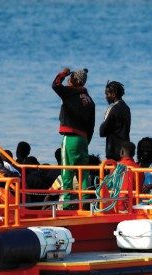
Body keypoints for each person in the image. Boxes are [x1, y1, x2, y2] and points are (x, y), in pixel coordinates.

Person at [52, 67, 95, 207]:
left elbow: (56, 85)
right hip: (83, 140)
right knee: (83, 173)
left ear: (74, 80)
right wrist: (85, 142)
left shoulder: (70, 93)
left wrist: (63, 73)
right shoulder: (90, 100)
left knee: (67, 170)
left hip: (70, 138)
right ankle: (85, 202)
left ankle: (66, 204)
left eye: (70, 79)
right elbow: (91, 126)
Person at [99, 81, 131, 161]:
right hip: (125, 149)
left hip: (114, 150)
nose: (106, 97)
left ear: (113, 94)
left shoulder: (113, 108)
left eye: (107, 94)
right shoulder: (126, 108)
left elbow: (102, 131)